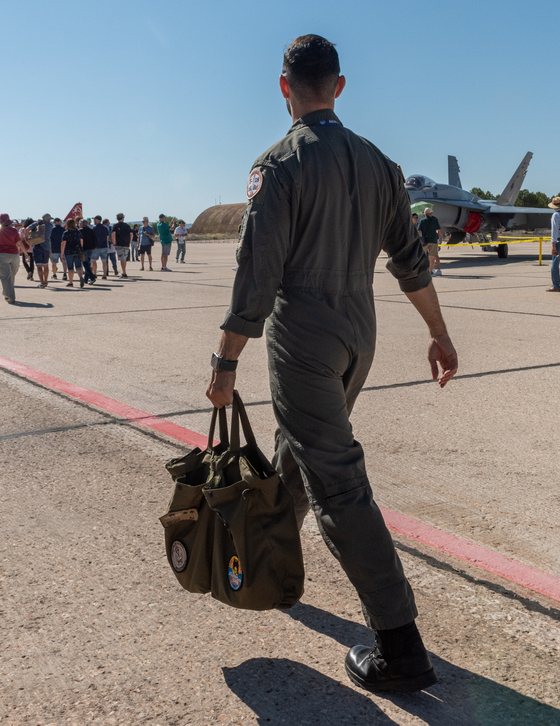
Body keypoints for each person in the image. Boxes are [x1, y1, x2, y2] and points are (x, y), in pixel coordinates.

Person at [205, 35, 456, 694]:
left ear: (283, 87)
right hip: (358, 335)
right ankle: (269, 564)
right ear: (339, 87)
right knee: (301, 450)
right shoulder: (382, 164)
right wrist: (439, 332)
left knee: (338, 482)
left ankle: (400, 642)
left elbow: (256, 275)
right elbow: (411, 260)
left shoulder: (278, 165)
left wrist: (225, 359)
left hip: (304, 337)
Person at [0, 214, 24, 303]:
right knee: (12, 275)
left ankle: (10, 297)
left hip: (3, 255)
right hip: (14, 255)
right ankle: (6, 293)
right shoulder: (13, 230)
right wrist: (25, 253)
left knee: (5, 277)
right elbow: (19, 243)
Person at [61, 216, 85, 288]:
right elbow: (81, 241)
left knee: (70, 267)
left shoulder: (66, 233)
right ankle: (81, 276)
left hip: (68, 252)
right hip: (77, 251)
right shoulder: (78, 232)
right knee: (78, 266)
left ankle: (70, 282)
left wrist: (62, 253)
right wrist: (81, 249)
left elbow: (63, 244)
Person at [417, 207, 442, 276]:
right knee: (432, 257)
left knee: (423, 257)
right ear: (431, 213)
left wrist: (419, 239)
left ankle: (422, 272)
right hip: (433, 240)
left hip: (424, 241)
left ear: (425, 214)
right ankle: (431, 272)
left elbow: (419, 231)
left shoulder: (422, 221)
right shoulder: (435, 220)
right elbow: (439, 231)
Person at [33, 214, 53, 288]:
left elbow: (28, 228)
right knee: (45, 265)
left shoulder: (37, 224)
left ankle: (41, 282)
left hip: (37, 245)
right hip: (46, 247)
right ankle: (46, 281)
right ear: (48, 219)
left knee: (39, 266)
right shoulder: (50, 225)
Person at [78, 218, 98, 284]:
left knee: (85, 263)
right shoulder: (91, 230)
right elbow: (95, 239)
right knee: (87, 263)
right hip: (90, 248)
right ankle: (86, 279)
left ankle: (92, 277)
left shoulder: (79, 231)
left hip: (83, 249)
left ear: (81, 224)